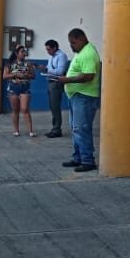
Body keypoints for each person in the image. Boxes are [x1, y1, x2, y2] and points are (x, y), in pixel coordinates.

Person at [54, 28, 100, 172]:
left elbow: (88, 76)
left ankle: (88, 161)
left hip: (84, 96)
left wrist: (66, 79)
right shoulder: (83, 51)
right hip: (77, 96)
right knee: (76, 129)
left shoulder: (88, 53)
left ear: (81, 39)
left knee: (81, 128)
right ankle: (78, 158)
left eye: (73, 43)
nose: (71, 46)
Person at [4, 45, 37, 137]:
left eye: (25, 51)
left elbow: (33, 76)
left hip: (25, 88)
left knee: (25, 108)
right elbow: (5, 76)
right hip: (13, 88)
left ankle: (30, 131)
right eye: (22, 51)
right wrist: (15, 75)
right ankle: (16, 130)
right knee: (15, 110)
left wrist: (26, 75)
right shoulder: (9, 64)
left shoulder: (28, 64)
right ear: (16, 53)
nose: (24, 53)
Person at [42, 39, 69, 138]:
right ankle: (55, 127)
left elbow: (60, 71)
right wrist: (44, 68)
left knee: (55, 106)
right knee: (52, 106)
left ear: (55, 48)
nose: (48, 51)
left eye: (49, 49)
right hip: (50, 81)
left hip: (56, 82)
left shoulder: (61, 56)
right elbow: (50, 68)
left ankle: (57, 129)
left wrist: (48, 70)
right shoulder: (52, 57)